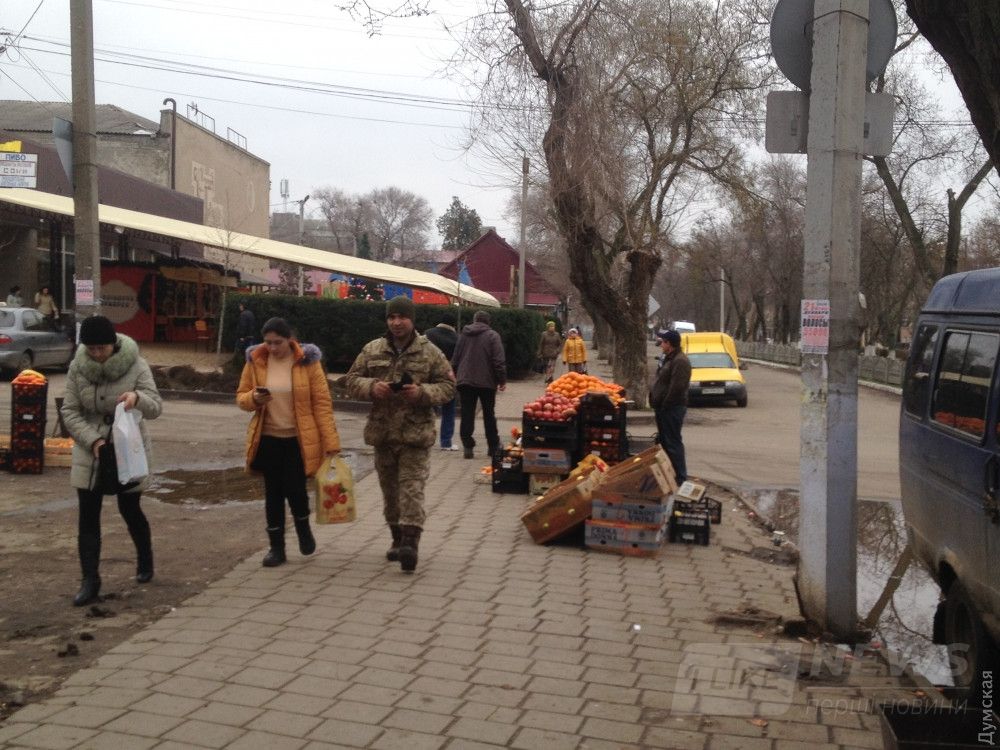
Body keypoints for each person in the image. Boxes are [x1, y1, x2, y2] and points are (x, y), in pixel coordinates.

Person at [343, 296, 455, 573]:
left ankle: (410, 543)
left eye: (402, 317)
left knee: (411, 489)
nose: (396, 322)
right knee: (390, 493)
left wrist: (422, 393)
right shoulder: (372, 349)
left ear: (412, 320)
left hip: (415, 435)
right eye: (392, 317)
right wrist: (371, 387)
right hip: (383, 434)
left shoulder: (430, 352)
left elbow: (448, 386)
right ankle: (396, 537)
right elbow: (351, 380)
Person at [60, 316, 162, 606]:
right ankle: (90, 581)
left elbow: (156, 406)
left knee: (129, 508)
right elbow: (69, 411)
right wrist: (93, 440)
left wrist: (136, 398)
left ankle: (145, 558)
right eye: (91, 349)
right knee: (88, 516)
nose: (97, 354)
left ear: (113, 344)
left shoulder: (136, 364)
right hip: (91, 449)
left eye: (102, 348)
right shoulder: (77, 367)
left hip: (127, 447)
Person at [237, 317, 340, 567]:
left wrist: (331, 443)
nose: (272, 348)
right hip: (268, 438)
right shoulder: (256, 360)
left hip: (298, 440)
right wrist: (254, 398)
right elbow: (241, 397)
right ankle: (276, 548)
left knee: (296, 491)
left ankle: (303, 529)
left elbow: (322, 404)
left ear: (290, 339)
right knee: (272, 494)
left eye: (278, 342)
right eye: (268, 342)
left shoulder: (308, 362)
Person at [451, 310, 507, 460]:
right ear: (488, 322)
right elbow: (498, 361)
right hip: (487, 381)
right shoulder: (493, 336)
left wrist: (455, 374)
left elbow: (456, 357)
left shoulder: (464, 335)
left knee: (467, 414)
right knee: (489, 414)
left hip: (465, 380)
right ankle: (493, 446)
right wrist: (502, 380)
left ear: (474, 320)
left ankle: (468, 446)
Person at [650, 329, 692, 484]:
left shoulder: (680, 361)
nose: (661, 345)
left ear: (670, 344)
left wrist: (665, 404)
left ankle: (680, 477)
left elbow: (677, 387)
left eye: (663, 342)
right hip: (664, 407)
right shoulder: (669, 358)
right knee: (665, 442)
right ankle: (669, 474)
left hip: (672, 408)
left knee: (673, 442)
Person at [424, 315, 459, 451]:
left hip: (429, 376)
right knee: (449, 409)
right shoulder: (457, 338)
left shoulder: (428, 333)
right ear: (453, 325)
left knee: (428, 408)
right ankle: (446, 442)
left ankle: (425, 438)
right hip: (448, 377)